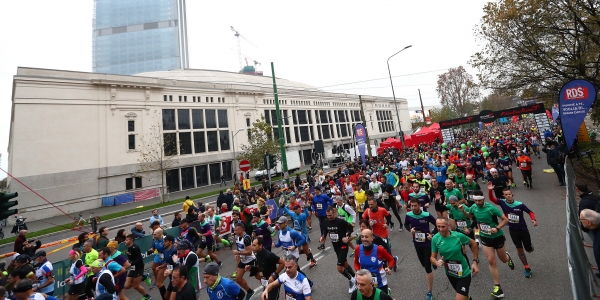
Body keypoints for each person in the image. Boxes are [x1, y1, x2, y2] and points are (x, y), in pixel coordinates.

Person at [466, 190, 514, 298]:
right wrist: (463, 211)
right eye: (476, 200)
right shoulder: (473, 207)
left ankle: (508, 258)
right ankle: (498, 288)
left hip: (497, 236)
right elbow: (469, 214)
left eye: (480, 200)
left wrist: (497, 228)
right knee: (491, 261)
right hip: (485, 237)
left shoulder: (490, 208)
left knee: (503, 259)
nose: (478, 203)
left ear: (483, 199)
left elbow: (505, 220)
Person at [487, 184, 537, 278]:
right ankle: (526, 267)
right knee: (519, 249)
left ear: (512, 194)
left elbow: (530, 212)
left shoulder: (519, 204)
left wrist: (533, 219)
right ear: (504, 196)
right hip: (513, 230)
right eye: (506, 195)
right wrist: (490, 190)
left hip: (523, 230)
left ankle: (530, 247)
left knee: (528, 249)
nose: (508, 196)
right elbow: (492, 199)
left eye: (509, 194)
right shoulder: (502, 202)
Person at [430, 217, 480, 300]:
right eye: (438, 227)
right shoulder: (435, 238)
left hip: (464, 273)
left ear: (448, 225)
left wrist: (475, 262)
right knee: (464, 296)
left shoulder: (457, 236)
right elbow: (432, 257)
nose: (441, 229)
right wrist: (436, 262)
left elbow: (474, 244)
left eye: (443, 227)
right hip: (450, 273)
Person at [320, 206, 357, 294]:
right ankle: (355, 277)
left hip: (343, 246)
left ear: (334, 213)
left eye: (330, 215)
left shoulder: (340, 222)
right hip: (335, 246)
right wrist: (323, 238)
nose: (329, 217)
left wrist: (347, 237)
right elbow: (325, 231)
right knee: (345, 264)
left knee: (340, 268)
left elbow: (350, 228)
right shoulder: (326, 222)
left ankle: (351, 280)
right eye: (327, 215)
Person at [353, 229, 395, 295]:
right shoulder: (358, 249)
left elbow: (391, 259)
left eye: (366, 237)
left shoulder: (379, 249)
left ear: (372, 238)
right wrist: (358, 271)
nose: (364, 239)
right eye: (362, 237)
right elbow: (356, 263)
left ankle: (387, 292)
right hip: (366, 282)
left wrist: (389, 267)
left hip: (380, 282)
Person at [231, 223, 256, 299]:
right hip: (243, 260)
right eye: (234, 230)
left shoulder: (246, 238)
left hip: (251, 260)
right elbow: (240, 247)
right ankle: (249, 291)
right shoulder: (238, 237)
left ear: (241, 230)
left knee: (258, 276)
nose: (235, 232)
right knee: (238, 279)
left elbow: (249, 252)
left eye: (236, 230)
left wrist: (238, 252)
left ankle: (268, 285)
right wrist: (238, 255)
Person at [123, 234, 151, 300]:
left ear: (131, 240)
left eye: (126, 240)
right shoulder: (129, 247)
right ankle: (144, 277)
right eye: (125, 240)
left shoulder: (135, 248)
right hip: (133, 268)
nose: (125, 241)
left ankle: (147, 296)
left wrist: (131, 263)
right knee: (126, 286)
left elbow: (140, 258)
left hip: (139, 267)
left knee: (136, 286)